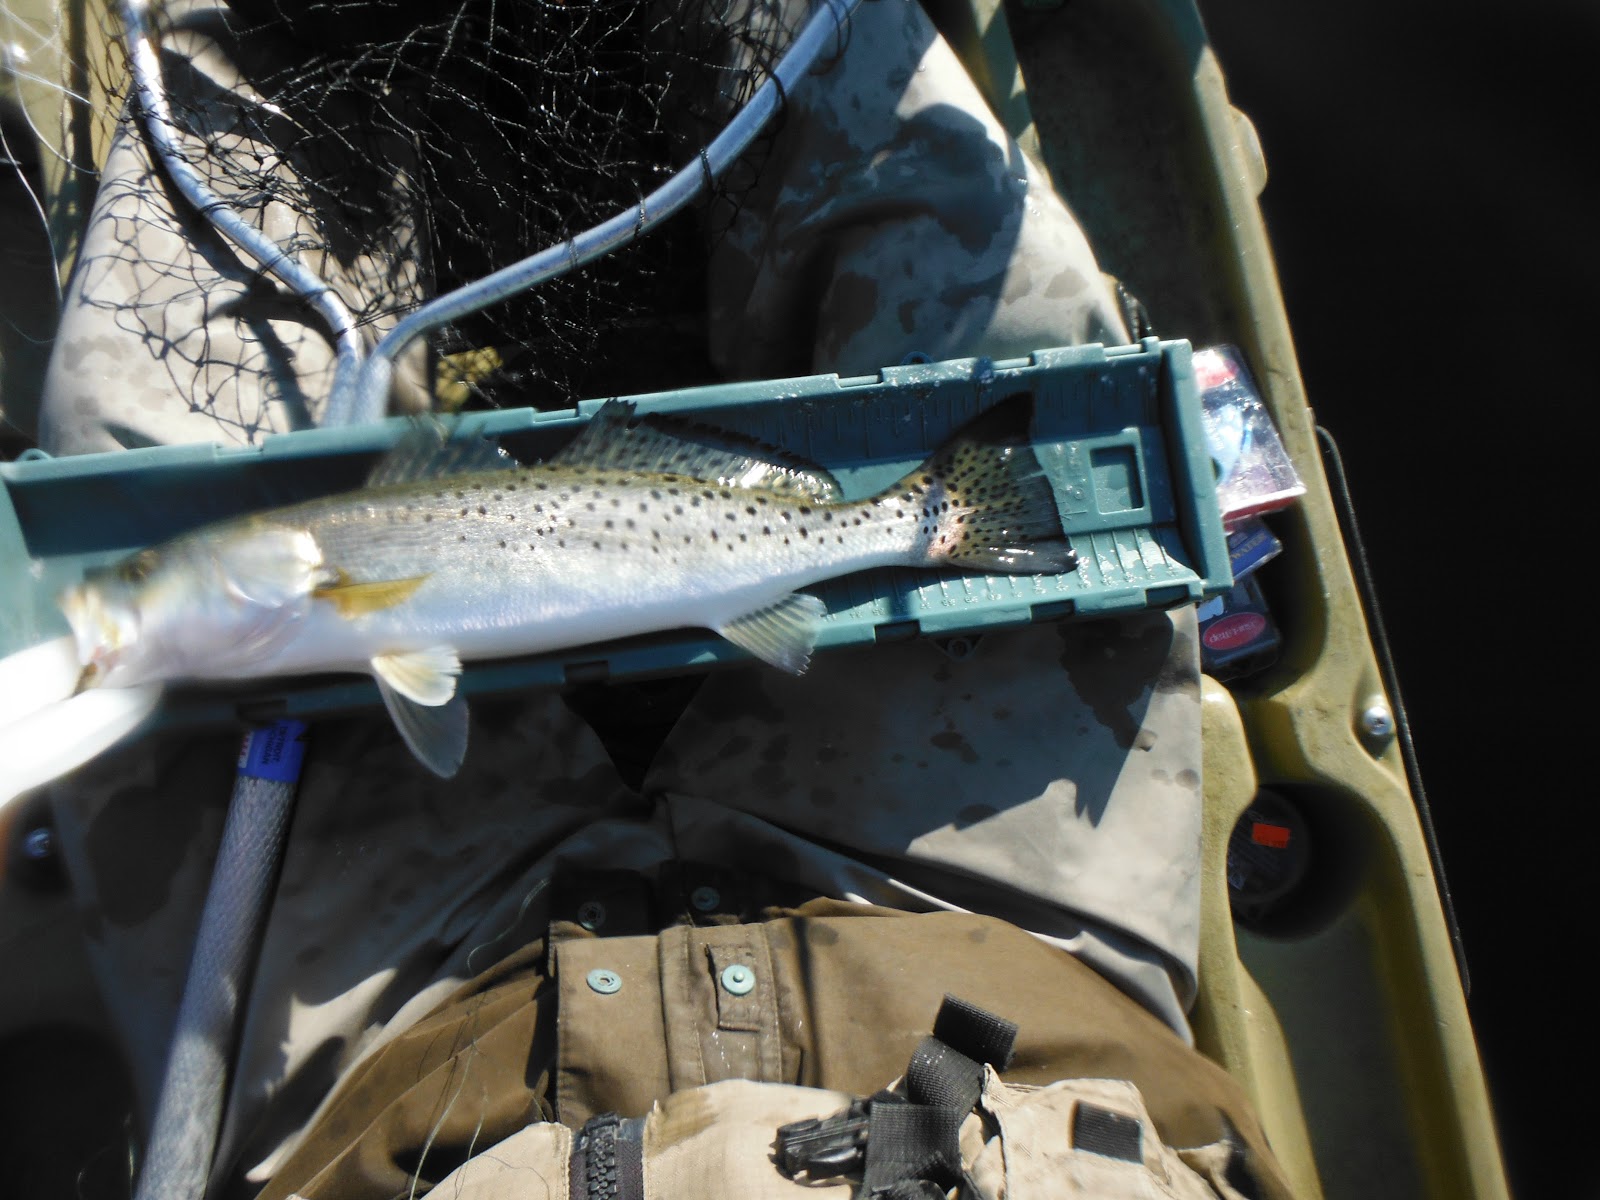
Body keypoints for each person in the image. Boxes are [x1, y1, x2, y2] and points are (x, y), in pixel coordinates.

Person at [18, 0, 1296, 1195]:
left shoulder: (276, 581)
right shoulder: (298, 587)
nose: (120, 591)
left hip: (407, 1035)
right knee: (961, 233)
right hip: (995, 981)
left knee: (131, 411)